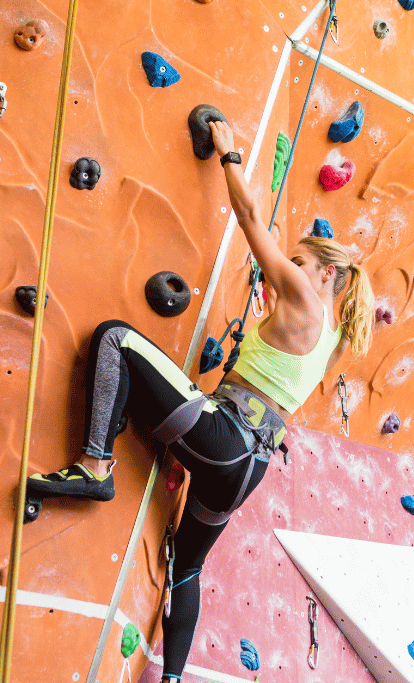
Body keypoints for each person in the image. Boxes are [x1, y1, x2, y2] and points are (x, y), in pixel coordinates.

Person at [27, 118, 373, 683]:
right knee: (187, 568)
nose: (293, 268)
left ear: (325, 273)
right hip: (247, 469)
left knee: (115, 336)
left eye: (302, 262)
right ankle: (170, 678)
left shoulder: (307, 297)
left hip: (225, 437)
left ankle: (94, 465)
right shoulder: (334, 339)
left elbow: (251, 219)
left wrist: (229, 155)